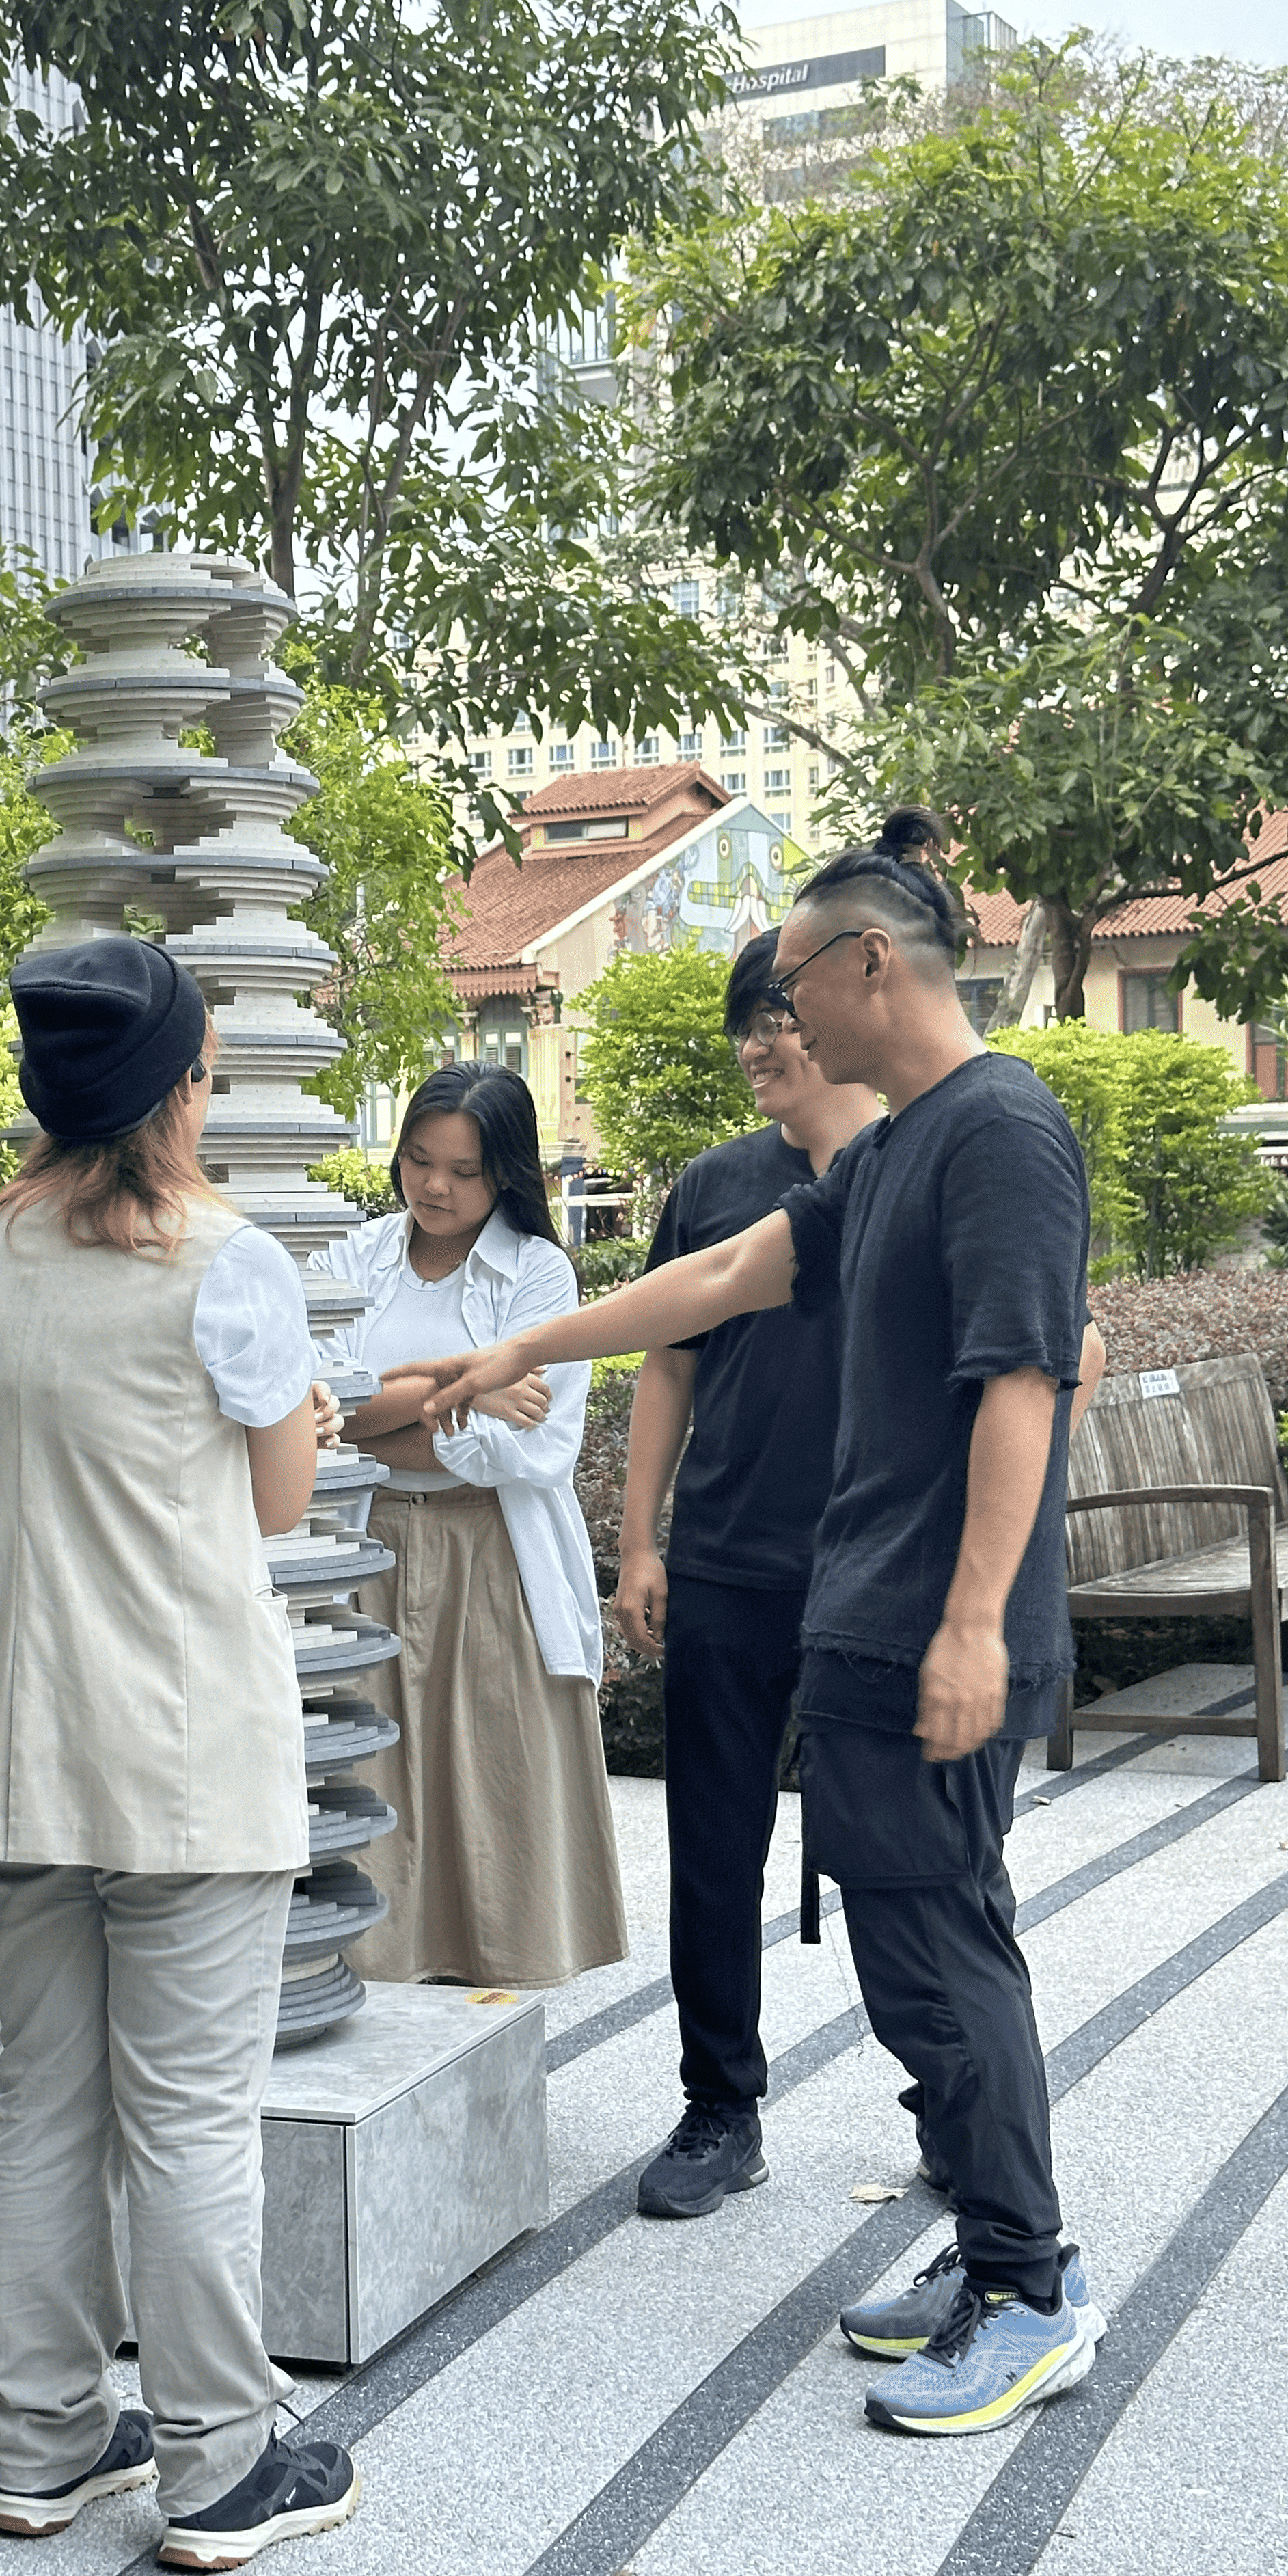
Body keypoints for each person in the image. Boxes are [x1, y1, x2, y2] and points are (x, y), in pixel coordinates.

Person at [388, 811, 1109, 2438]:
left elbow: (1024, 1384)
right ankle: (996, 2249)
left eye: (793, 982)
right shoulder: (899, 1146)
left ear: (869, 966)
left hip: (933, 1626)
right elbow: (714, 1285)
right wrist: (519, 1351)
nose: (777, 1019)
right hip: (866, 1619)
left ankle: (1030, 2284)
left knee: (939, 1955)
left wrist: (976, 1624)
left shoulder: (999, 1132)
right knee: (919, 1945)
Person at [0, 938, 362, 2570]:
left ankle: (42, 2447)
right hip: (180, 1743)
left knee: (40, 2100)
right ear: (185, 1087)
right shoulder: (227, 1261)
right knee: (187, 2120)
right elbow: (274, 1500)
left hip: (13, 1740)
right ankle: (218, 2466)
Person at [617, 931, 883, 2221]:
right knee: (713, 1849)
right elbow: (665, 1356)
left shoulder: (919, 1168)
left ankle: (951, 2100)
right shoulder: (716, 1184)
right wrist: (639, 1540)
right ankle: (719, 2103)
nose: (758, 1042)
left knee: (901, 1850)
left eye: (778, 1013)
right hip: (725, 1557)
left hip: (873, 1574)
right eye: (744, 1020)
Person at [314, 1063, 627, 1986]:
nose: (436, 1187)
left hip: (491, 1551)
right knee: (369, 1780)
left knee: (494, 1782)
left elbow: (533, 1452)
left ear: (506, 1174)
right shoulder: (352, 1259)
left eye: (463, 1169)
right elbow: (315, 1413)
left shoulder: (537, 1273)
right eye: (418, 1160)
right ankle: (381, 1990)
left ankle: (489, 2000)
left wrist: (380, 1411)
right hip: (365, 1548)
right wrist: (465, 1390)